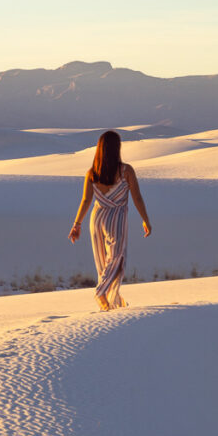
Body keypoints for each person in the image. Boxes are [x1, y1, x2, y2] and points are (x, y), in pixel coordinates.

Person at [68, 130, 152, 310]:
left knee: (102, 261)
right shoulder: (126, 170)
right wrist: (145, 220)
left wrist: (77, 224)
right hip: (117, 218)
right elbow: (137, 197)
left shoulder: (92, 173)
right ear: (116, 148)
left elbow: (86, 200)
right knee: (117, 258)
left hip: (97, 219)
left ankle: (108, 300)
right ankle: (100, 292)